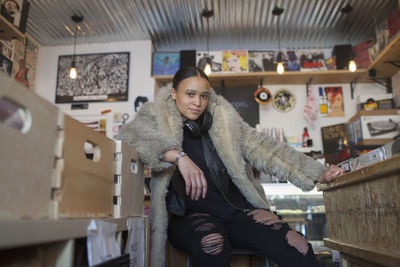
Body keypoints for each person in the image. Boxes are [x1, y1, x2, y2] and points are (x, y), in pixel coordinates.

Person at [118, 66, 344, 267]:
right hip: (188, 217)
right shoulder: (155, 114)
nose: (197, 102)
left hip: (237, 213)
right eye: (190, 94)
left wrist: (318, 172)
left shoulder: (224, 119)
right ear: (174, 93)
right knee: (212, 246)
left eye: (203, 96)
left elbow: (266, 149)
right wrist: (178, 156)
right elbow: (130, 136)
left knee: (298, 247)